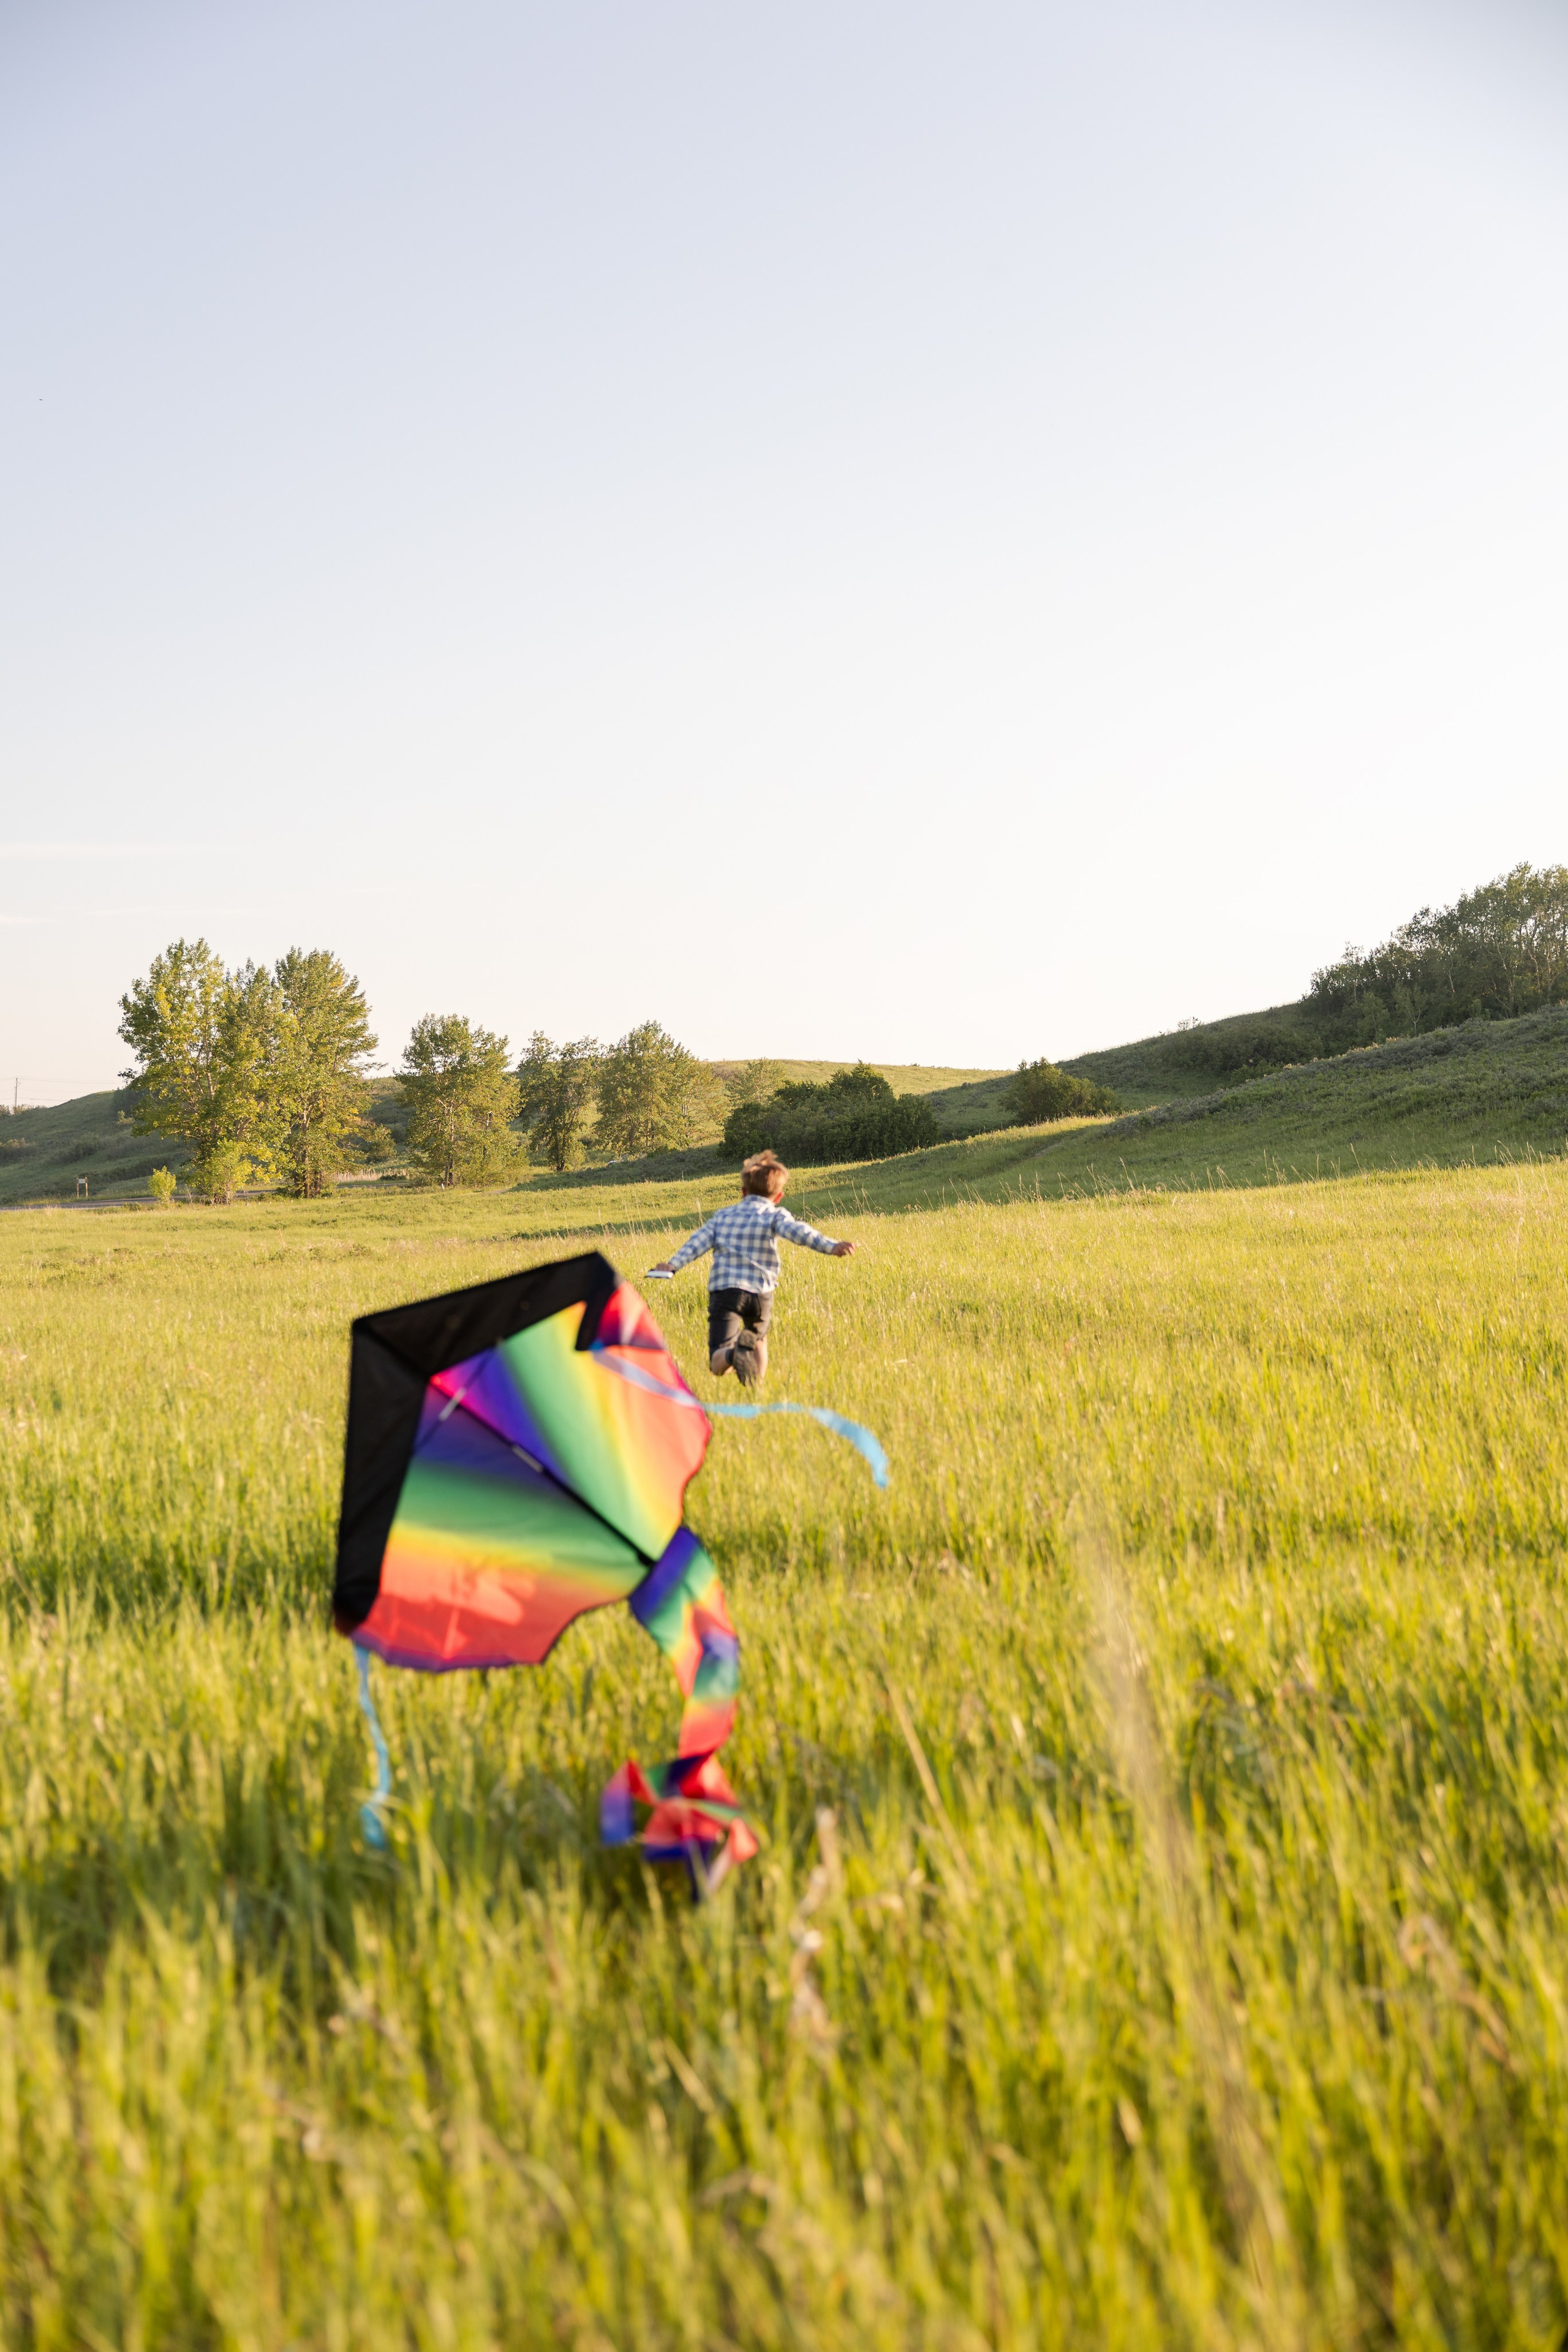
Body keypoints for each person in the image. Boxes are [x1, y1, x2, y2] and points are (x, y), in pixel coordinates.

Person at [647, 1150, 855, 1385]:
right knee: (759, 1340)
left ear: (743, 1192)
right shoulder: (775, 1216)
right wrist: (832, 1246)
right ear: (778, 1197)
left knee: (718, 1362)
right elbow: (802, 1233)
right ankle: (756, 1389)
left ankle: (733, 1354)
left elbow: (697, 1244)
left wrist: (672, 1265)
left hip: (726, 1292)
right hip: (760, 1293)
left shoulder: (723, 1217)